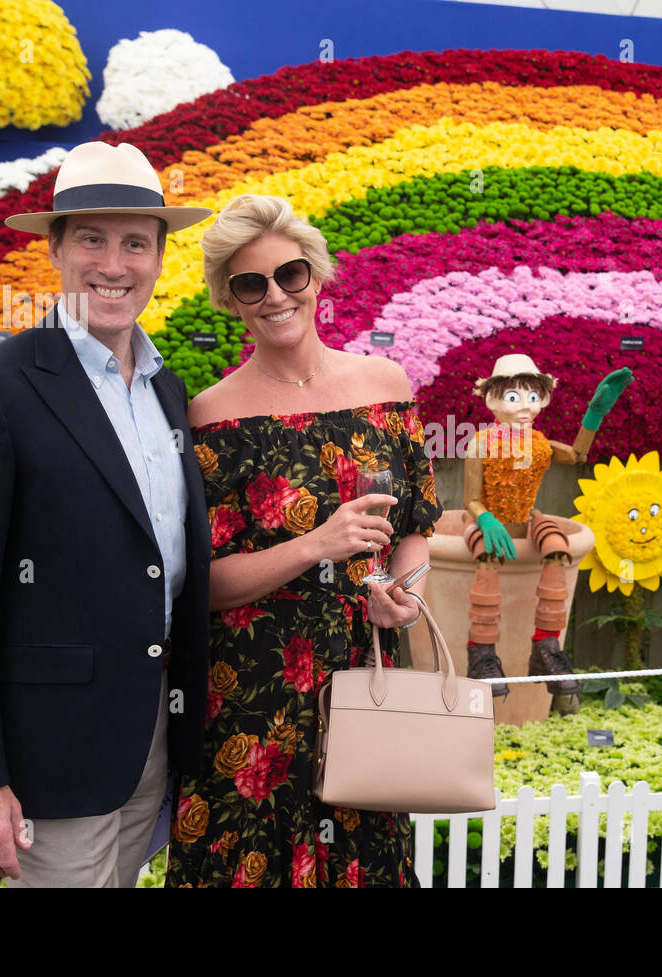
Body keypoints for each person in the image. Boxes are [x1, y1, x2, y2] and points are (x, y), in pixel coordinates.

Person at [0, 141, 214, 887]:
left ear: (159, 257)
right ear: (53, 248)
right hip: (51, 755)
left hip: (151, 741)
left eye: (136, 243)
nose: (115, 263)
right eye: (92, 238)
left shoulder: (166, 390)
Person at [166, 194, 443, 888]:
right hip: (249, 704)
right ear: (229, 300)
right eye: (249, 283)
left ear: (316, 276)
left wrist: (402, 598)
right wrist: (315, 543)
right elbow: (199, 585)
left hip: (363, 685)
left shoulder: (385, 388)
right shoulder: (210, 416)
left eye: (289, 274)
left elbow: (415, 533)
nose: (274, 295)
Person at [461, 355, 632, 714]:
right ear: (492, 399)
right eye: (513, 397)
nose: (525, 406)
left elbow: (578, 455)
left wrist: (595, 414)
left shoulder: (540, 444)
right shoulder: (480, 444)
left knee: (557, 548)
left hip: (527, 518)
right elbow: (471, 499)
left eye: (533, 397)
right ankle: (482, 655)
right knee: (487, 558)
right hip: (488, 522)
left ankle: (546, 647)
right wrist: (486, 520)